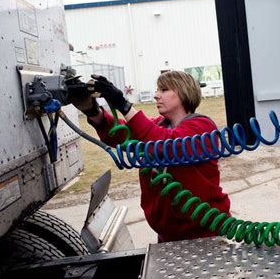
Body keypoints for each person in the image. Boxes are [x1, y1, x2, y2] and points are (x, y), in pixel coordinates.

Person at [71, 70, 231, 242]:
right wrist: (93, 111)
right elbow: (121, 134)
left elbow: (164, 143)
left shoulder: (202, 126)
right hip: (169, 235)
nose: (156, 95)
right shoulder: (159, 125)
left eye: (163, 90)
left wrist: (123, 105)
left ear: (183, 92)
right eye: (157, 90)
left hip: (204, 232)